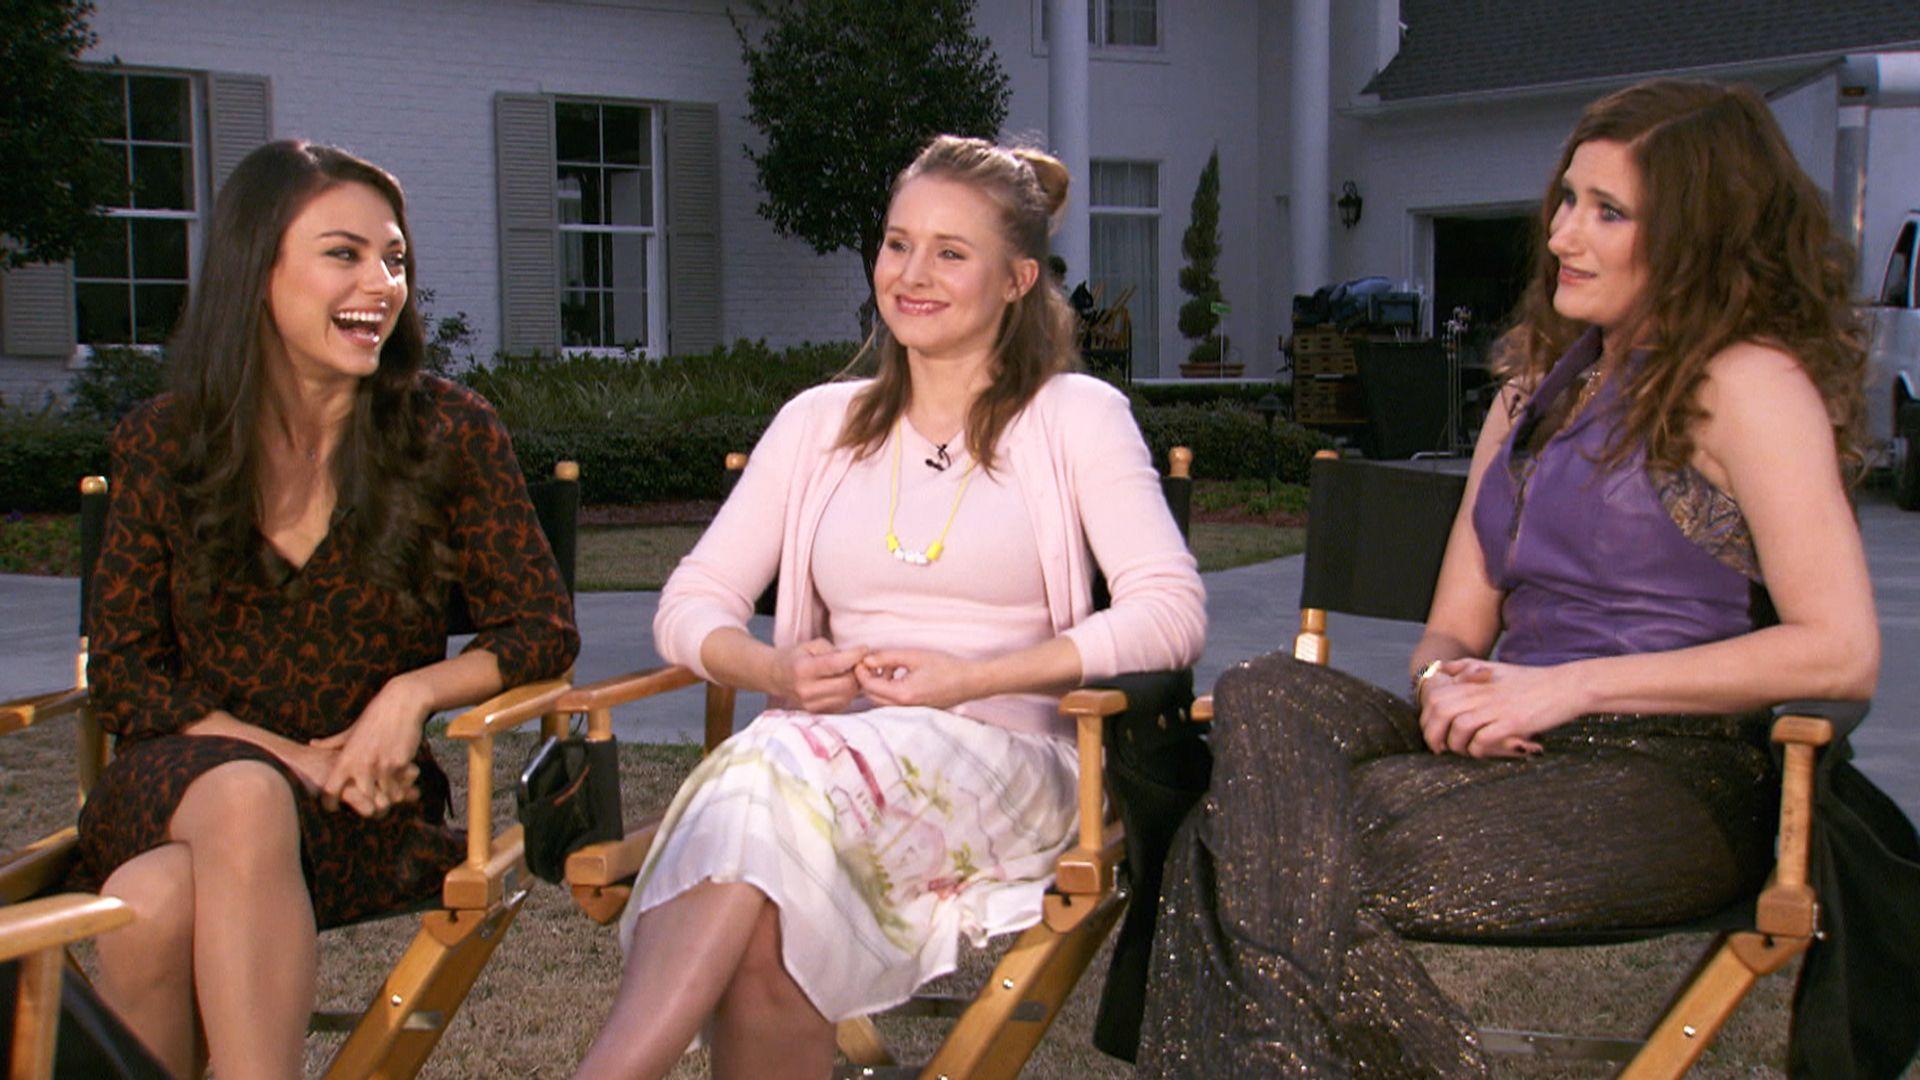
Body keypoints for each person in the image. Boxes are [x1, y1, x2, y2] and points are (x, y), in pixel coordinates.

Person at [1136, 78, 1879, 1076]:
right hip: (1501, 752)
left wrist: (1567, 687)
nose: (1564, 235)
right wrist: (1447, 683)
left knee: (1229, 840)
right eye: (1567, 199)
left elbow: (1841, 649)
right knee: (1265, 692)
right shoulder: (1533, 390)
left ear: (1699, 234)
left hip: (1665, 777)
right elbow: (1451, 630)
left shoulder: (1749, 385)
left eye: (1609, 212)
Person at [574, 135, 1206, 1080]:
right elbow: (690, 604)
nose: (912, 274)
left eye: (951, 253)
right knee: (767, 918)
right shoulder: (816, 424)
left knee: (759, 780)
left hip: (1011, 767)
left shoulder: (1074, 416)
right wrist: (775, 669)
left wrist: (973, 678)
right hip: (814, 772)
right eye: (898, 244)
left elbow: (1171, 610)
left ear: (1017, 280)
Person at [71, 140, 579, 1080]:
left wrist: (408, 696)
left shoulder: (448, 431)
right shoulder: (164, 442)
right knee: (241, 796)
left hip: (362, 799)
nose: (381, 285)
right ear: (256, 269)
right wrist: (289, 760)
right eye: (344, 254)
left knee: (154, 905)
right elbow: (129, 675)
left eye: (395, 259)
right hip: (176, 788)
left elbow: (542, 628)